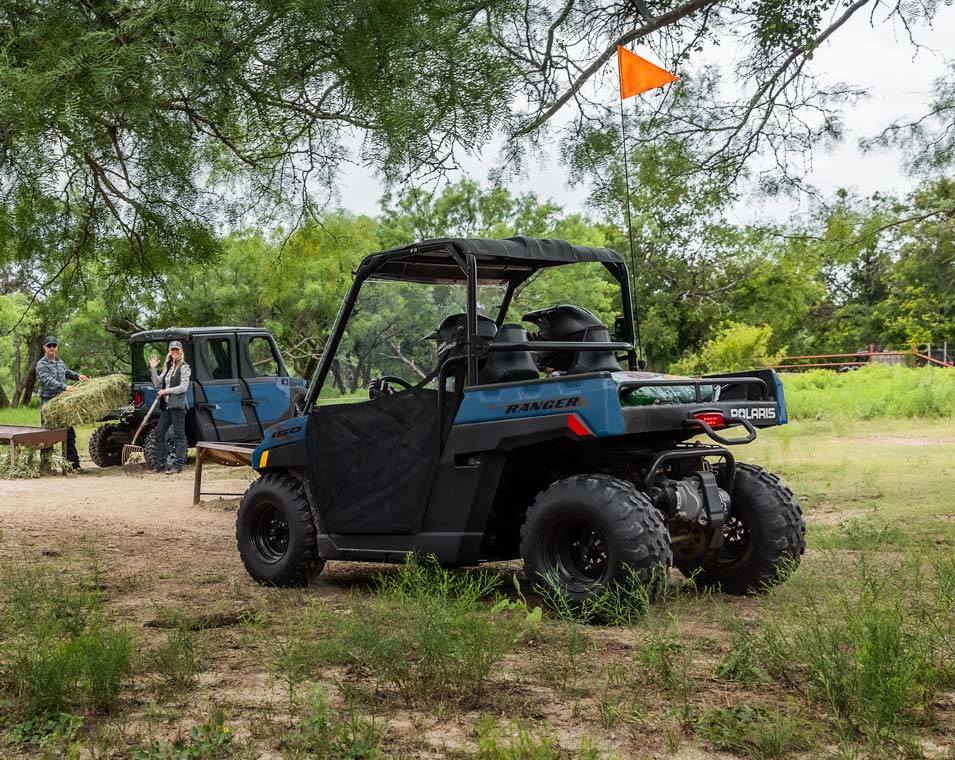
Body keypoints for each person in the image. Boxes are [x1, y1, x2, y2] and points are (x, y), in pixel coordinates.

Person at [36, 335, 88, 471]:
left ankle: (73, 465)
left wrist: (78, 376)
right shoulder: (41, 364)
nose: (52, 348)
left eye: (54, 345)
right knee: (48, 434)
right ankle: (45, 466)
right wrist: (64, 387)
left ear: (57, 347)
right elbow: (47, 380)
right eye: (49, 346)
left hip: (62, 402)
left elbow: (66, 372)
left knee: (69, 433)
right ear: (44, 348)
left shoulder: (60, 362)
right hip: (48, 402)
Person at [149, 340, 191, 475]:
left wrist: (165, 391)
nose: (175, 352)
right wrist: (153, 368)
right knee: (159, 433)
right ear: (170, 351)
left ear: (181, 351)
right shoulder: (168, 367)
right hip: (167, 406)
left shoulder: (184, 367)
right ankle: (160, 465)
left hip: (178, 406)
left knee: (179, 436)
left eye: (177, 350)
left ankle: (177, 466)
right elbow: (157, 382)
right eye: (173, 350)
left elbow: (183, 387)